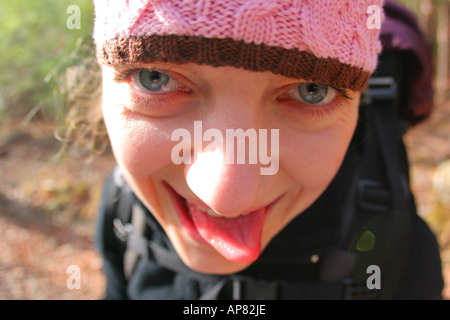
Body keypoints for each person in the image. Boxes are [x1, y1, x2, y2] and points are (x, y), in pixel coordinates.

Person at [93, 0, 444, 299]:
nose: (226, 199)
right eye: (155, 78)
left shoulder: (396, 251)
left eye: (312, 90)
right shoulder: (122, 211)